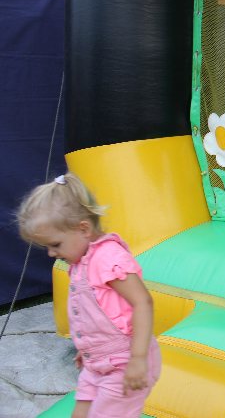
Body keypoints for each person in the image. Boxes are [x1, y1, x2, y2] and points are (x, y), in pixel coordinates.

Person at [17, 173, 160, 418]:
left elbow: (142, 302)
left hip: (125, 362)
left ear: (83, 228)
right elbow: (96, 312)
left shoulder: (107, 257)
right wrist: (88, 347)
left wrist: (138, 358)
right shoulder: (80, 261)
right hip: (97, 363)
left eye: (55, 244)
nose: (51, 253)